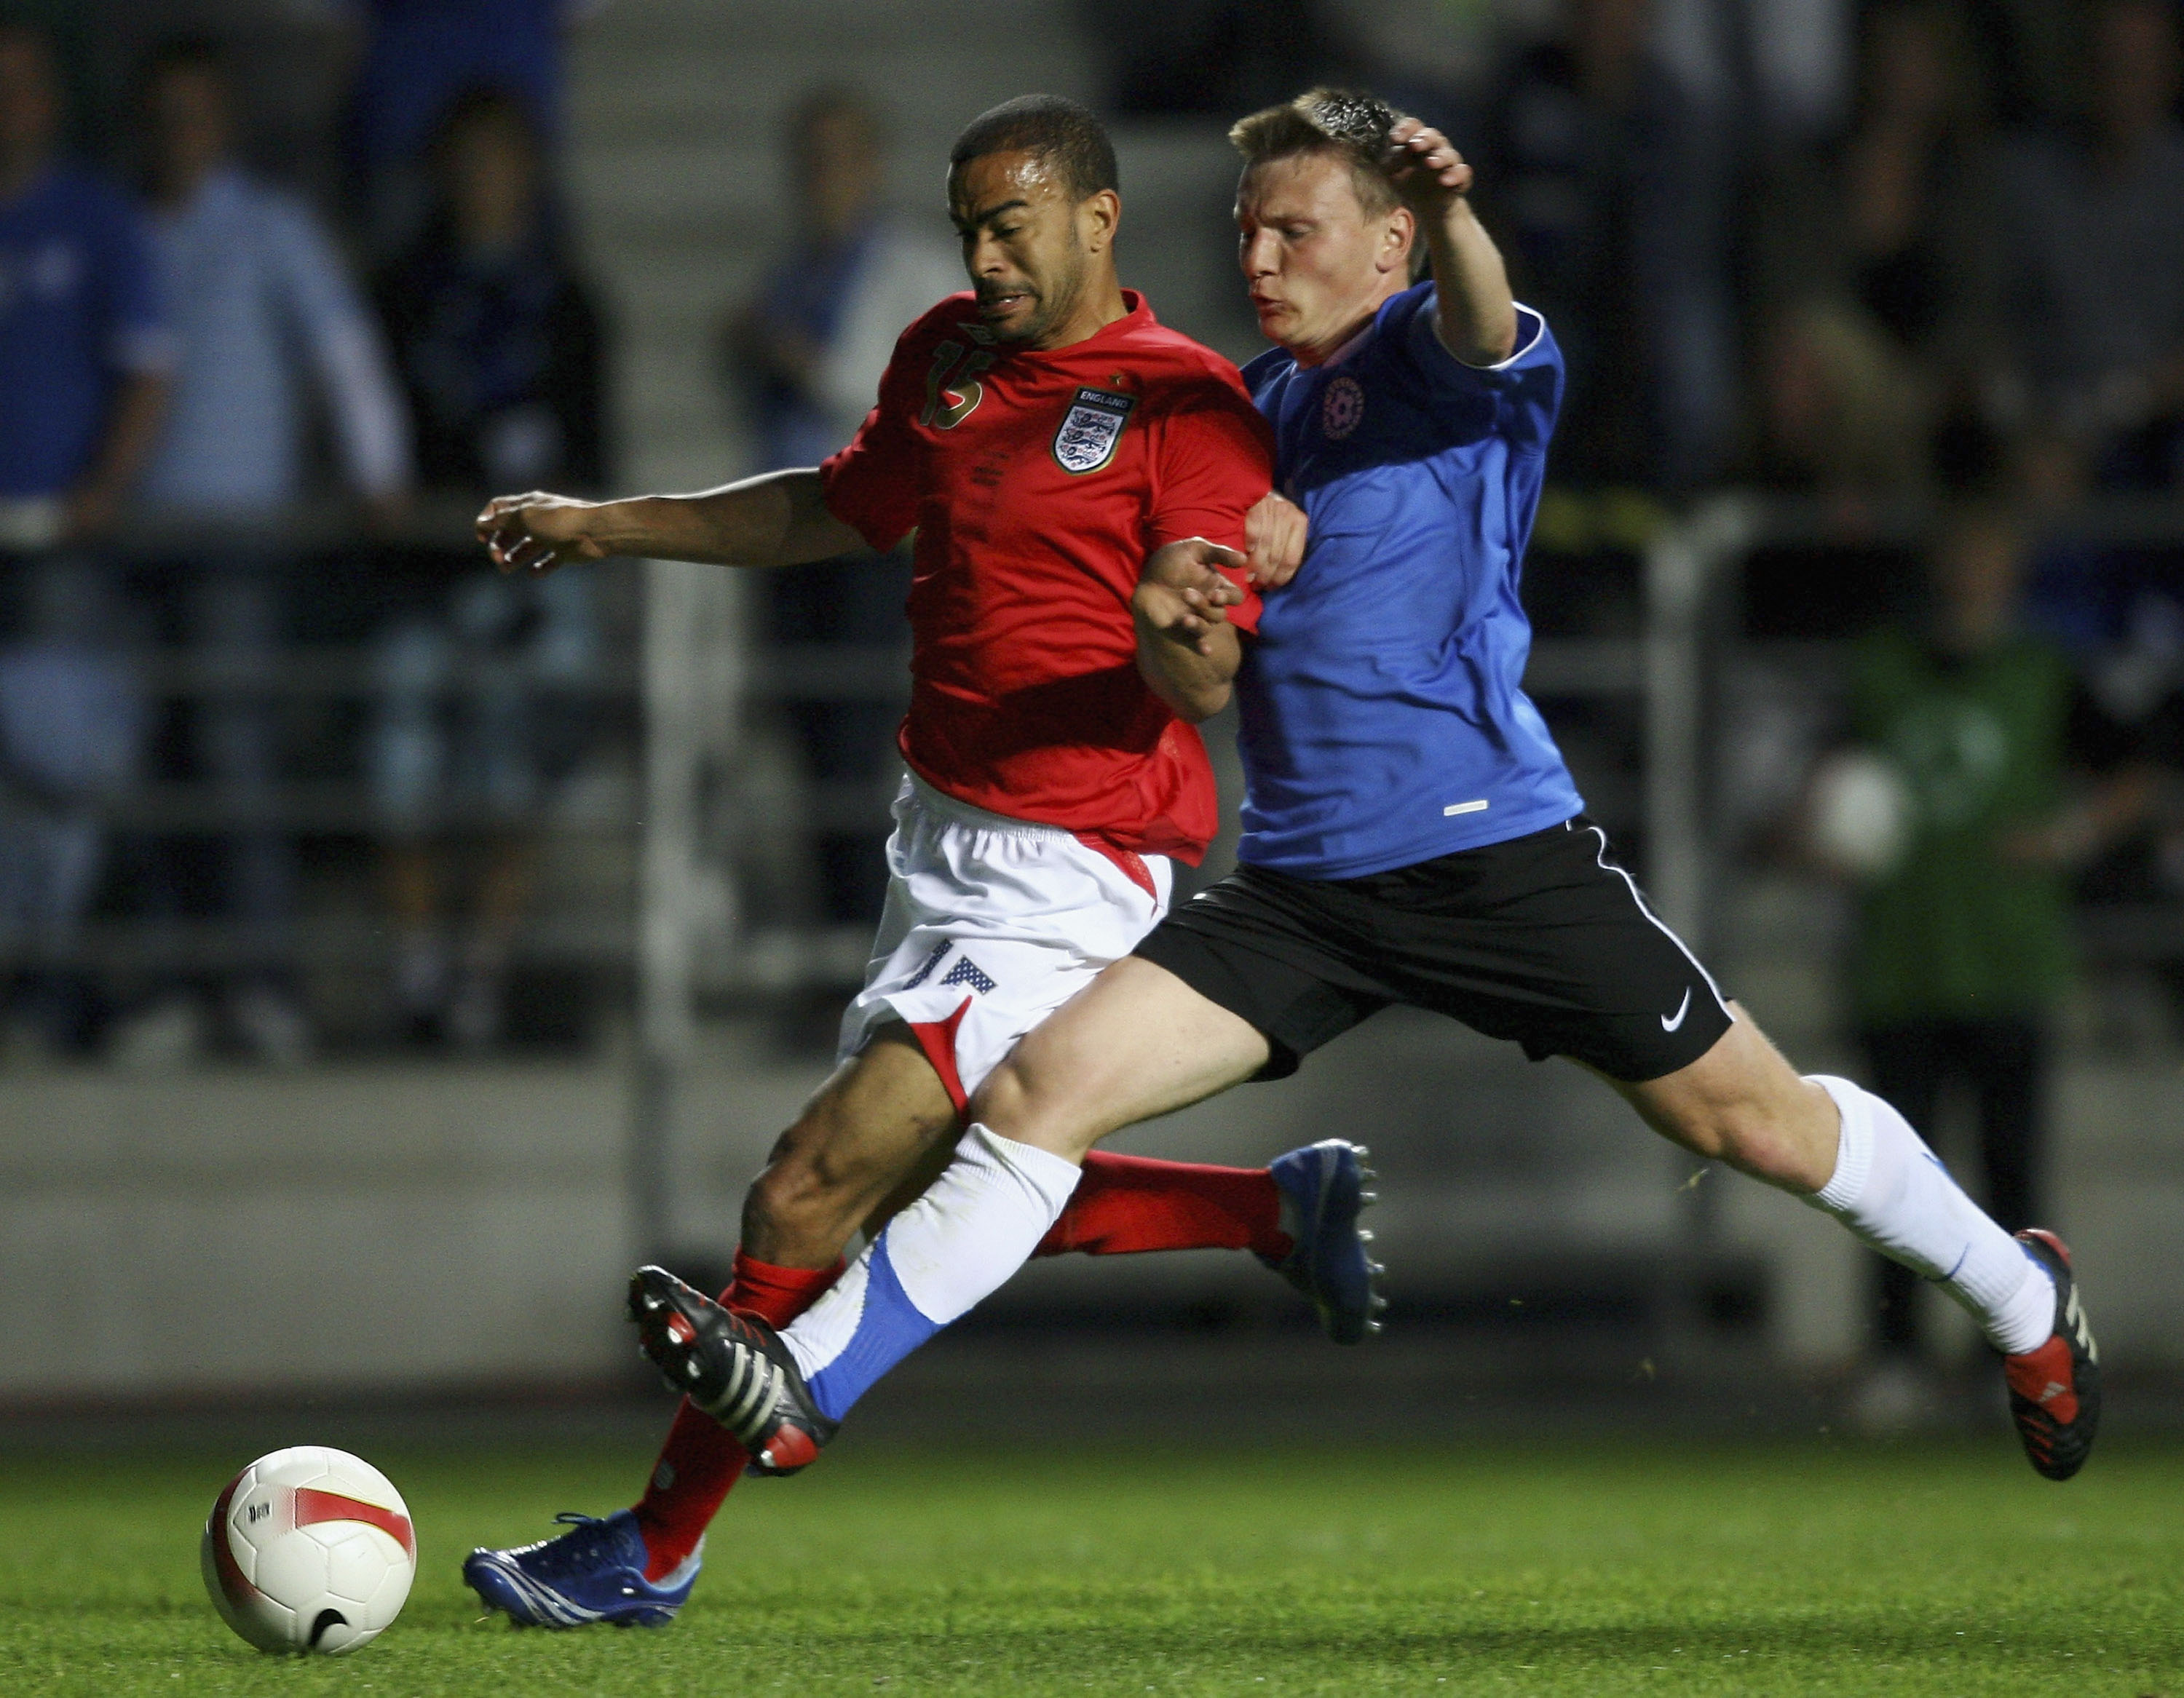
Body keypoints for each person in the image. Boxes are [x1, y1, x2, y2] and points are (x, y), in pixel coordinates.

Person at [633, 89, 2103, 1496]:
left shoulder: (1448, 369)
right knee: (1041, 1088)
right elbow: (1201, 611)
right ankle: (806, 1375)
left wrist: (1462, 218)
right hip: (1305, 889)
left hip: (1491, 854)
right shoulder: (1244, 412)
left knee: (1750, 1124)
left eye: (1298, 231)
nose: (1260, 260)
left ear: (1390, 240)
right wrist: (1203, 581)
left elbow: (1483, 317)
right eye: (1247, 231)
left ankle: (2014, 1288)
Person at [462, 94, 1375, 1627]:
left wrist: (1182, 635)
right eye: (968, 226)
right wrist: (608, 523)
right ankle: (1270, 1213)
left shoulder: (1188, 405)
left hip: (1074, 864)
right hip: (937, 840)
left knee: (805, 1193)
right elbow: (838, 505)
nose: (986, 255)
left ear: (1098, 218)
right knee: (959, 1172)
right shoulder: (945, 355)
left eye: (1011, 224)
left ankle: (651, 1549)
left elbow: (1208, 671)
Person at [114, 36, 412, 1068]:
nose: (178, 135)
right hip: (130, 543)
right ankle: (170, 987)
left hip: (240, 542)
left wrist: (379, 475)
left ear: (226, 125)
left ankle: (264, 984)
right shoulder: (126, 229)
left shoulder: (269, 227)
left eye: (196, 113)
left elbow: (342, 353)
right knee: (149, 768)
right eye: (164, 116)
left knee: (237, 762)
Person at [1828, 504, 2147, 1425]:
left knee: (2011, 1177)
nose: (1972, 567)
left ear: (2013, 561)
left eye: (1989, 546)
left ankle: (2003, 1359)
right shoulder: (1878, 667)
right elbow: (1820, 784)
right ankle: (1894, 1359)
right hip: (1900, 960)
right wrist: (1823, 831)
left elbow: (2136, 768)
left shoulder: (2046, 669)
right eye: (1959, 546)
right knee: (1879, 1187)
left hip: (2009, 958)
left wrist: (2070, 835)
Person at [368, 87, 604, 1051]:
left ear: (530, 178)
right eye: (467, 164)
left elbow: (593, 454)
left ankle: (478, 975)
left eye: (501, 163)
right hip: (423, 572)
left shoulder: (568, 302)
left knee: (513, 772)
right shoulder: (402, 292)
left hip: (535, 577)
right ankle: (419, 971)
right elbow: (376, 439)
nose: (483, 184)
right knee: (403, 769)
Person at [727, 86, 959, 935]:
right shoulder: (790, 272)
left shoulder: (914, 270)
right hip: (793, 541)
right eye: (811, 159)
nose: (824, 176)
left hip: (871, 546)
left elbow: (898, 400)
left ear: (873, 166)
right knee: (811, 751)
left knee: (863, 753)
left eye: (840, 156)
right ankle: (832, 948)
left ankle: (871, 948)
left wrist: (785, 351)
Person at [0, 19, 173, 1050]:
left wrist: (103, 487)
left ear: (52, 101)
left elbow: (151, 365)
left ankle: (53, 976)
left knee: (65, 771)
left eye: (17, 84)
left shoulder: (95, 219)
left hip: (58, 548)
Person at [1999, 0, 2184, 495]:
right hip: (2051, 419)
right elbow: (1994, 318)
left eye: (2138, 65)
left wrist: (2150, 392)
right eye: (2109, 63)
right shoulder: (2024, 181)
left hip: (2164, 425)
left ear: (2169, 72)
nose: (2121, 81)